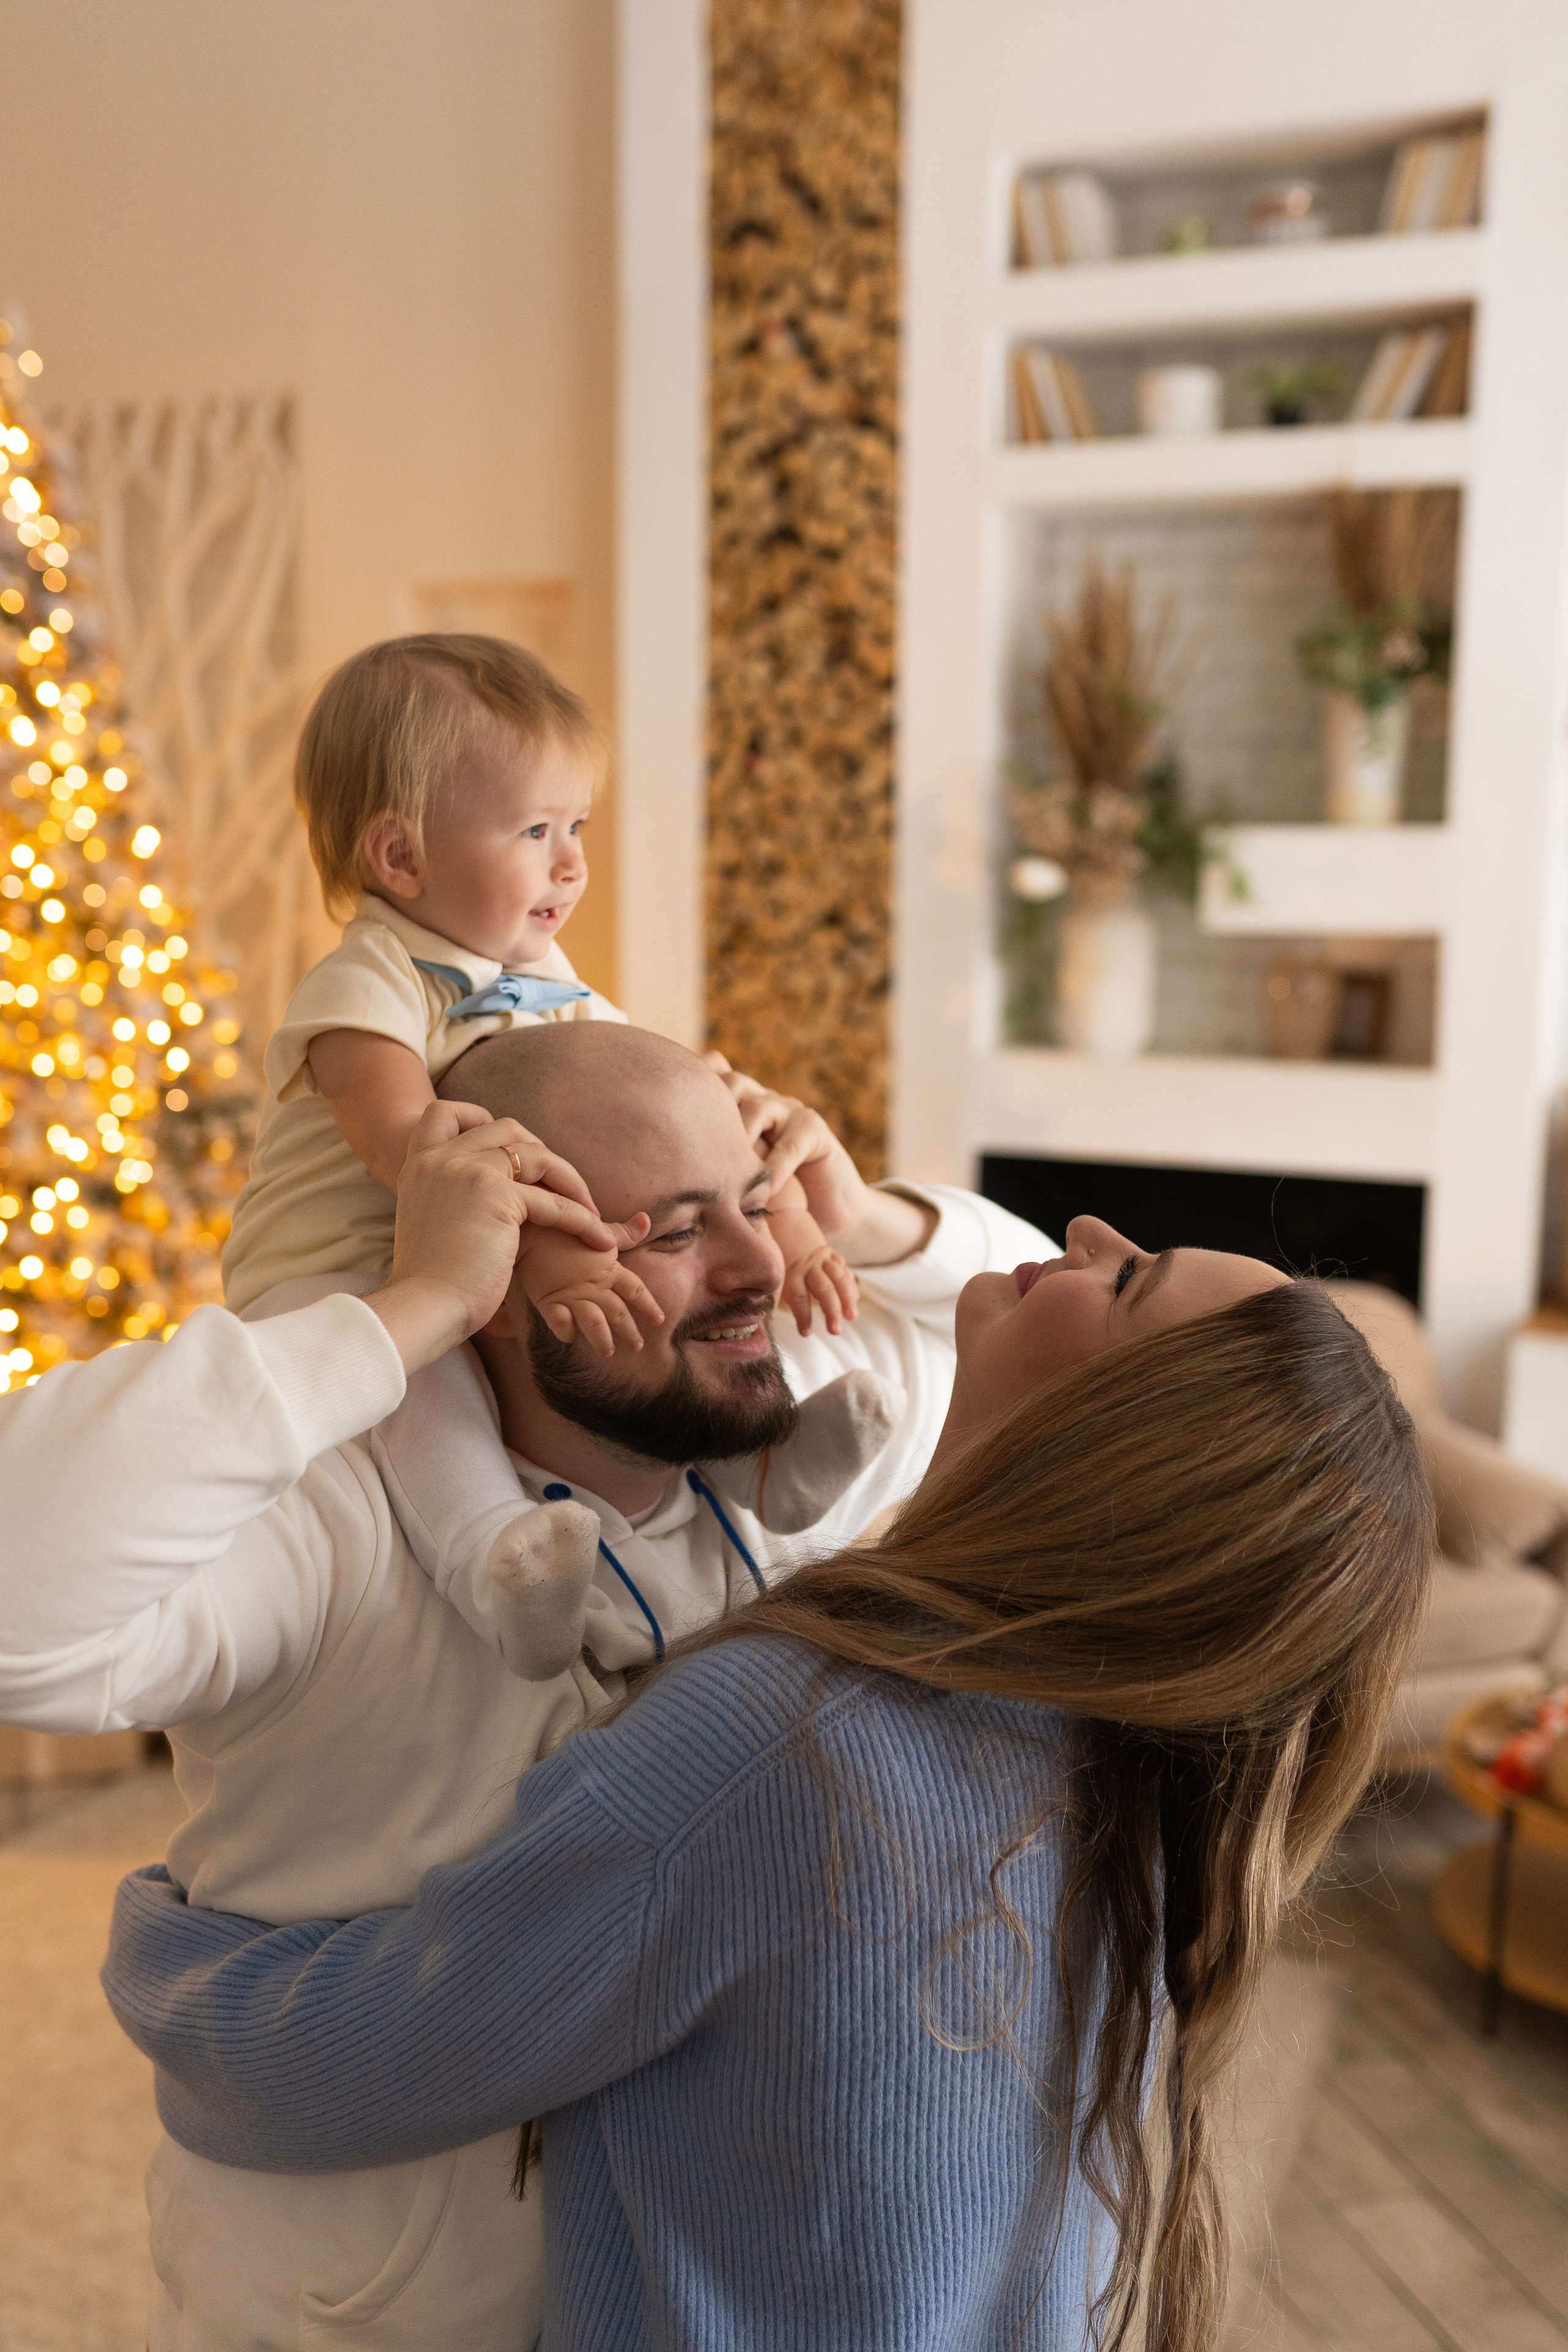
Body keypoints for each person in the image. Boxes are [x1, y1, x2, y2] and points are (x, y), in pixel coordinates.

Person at [100, 1102, 1434, 2352]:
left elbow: (345, 2058)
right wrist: (852, 1219)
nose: (1082, 1232)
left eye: (1129, 1277)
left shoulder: (790, 1743)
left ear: (1112, 1445)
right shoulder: (1134, 1782)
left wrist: (158, 1928)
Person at [0, 1026, 1050, 2350]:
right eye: (668, 1233)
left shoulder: (791, 1448)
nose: (756, 1271)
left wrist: (862, 1212)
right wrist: (409, 1309)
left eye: (755, 1205)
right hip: (371, 2311)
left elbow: (1079, 1321)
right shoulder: (330, 1523)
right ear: (500, 1263)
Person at [222, 629, 897, 1662]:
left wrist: (797, 1229)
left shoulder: (550, 980)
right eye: (537, 829)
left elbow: (692, 1118)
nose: (573, 863)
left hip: (470, 1252)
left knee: (667, 1340)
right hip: (342, 1281)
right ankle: (495, 1560)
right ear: (399, 856)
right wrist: (560, 1250)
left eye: (577, 824)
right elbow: (420, 1152)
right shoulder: (367, 987)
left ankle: (766, 1469)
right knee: (427, 1399)